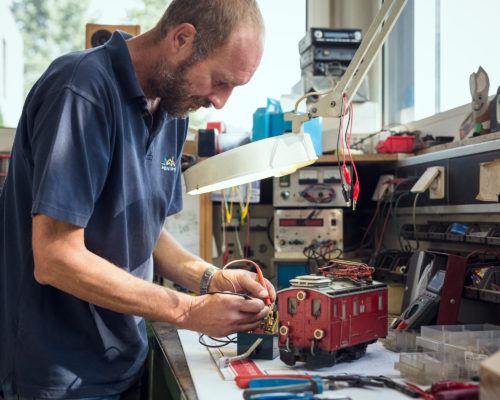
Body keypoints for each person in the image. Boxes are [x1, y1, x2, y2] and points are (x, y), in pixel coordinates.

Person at [0, 0, 275, 398]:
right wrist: (189, 311)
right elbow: (55, 258)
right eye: (220, 80)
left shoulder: (175, 109)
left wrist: (211, 279)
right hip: (55, 374)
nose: (220, 101)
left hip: (125, 361)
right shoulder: (81, 90)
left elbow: (147, 231)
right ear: (182, 39)